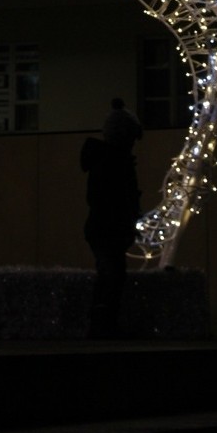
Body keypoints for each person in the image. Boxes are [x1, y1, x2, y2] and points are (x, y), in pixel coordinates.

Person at [80, 97, 143, 338]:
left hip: (104, 229)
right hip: (108, 230)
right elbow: (114, 198)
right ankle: (103, 326)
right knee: (112, 276)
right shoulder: (115, 164)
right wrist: (128, 217)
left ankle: (103, 324)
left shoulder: (107, 161)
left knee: (111, 275)